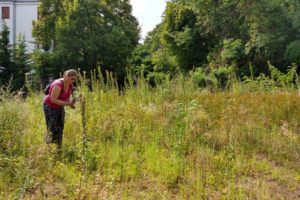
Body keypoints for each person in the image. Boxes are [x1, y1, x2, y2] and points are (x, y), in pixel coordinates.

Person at [43, 69, 78, 149]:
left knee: (60, 126)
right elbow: (53, 100)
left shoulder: (70, 85)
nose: (73, 81)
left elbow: (67, 97)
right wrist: (67, 104)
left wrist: (71, 104)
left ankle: (58, 147)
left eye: (74, 79)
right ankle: (49, 148)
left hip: (59, 106)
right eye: (71, 78)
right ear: (65, 76)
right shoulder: (57, 85)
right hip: (50, 106)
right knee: (51, 127)